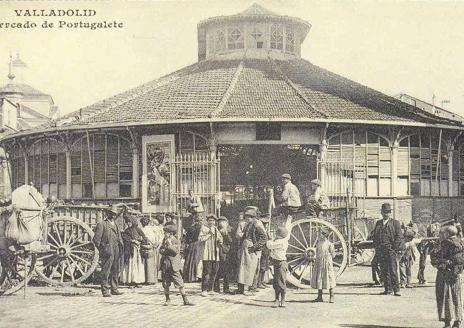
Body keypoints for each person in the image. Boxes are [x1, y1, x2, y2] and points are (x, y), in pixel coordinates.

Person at [431, 225, 464, 328]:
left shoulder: (444, 243)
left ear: (447, 234)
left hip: (444, 274)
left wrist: (442, 263)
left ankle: (447, 321)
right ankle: (458, 320)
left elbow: (434, 257)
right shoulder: (461, 243)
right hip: (456, 274)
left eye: (442, 233)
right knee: (456, 297)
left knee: (445, 297)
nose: (441, 235)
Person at [92, 204, 124, 297]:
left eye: (115, 214)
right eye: (112, 213)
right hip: (108, 251)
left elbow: (119, 236)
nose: (114, 216)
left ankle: (114, 288)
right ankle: (105, 290)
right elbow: (96, 239)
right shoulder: (102, 224)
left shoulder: (116, 224)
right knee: (106, 271)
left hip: (116, 249)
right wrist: (103, 249)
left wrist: (120, 246)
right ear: (108, 214)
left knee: (115, 270)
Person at [372, 203, 404, 296]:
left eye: (388, 212)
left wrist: (394, 249)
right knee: (384, 270)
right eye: (385, 212)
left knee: (393, 270)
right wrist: (377, 248)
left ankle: (396, 290)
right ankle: (388, 289)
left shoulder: (395, 223)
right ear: (381, 213)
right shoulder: (378, 223)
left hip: (391, 250)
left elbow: (399, 237)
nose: (387, 214)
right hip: (381, 251)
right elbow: (375, 236)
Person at [236, 206, 268, 296]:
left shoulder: (257, 225)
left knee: (249, 269)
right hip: (245, 248)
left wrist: (255, 247)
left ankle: (247, 289)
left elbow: (264, 237)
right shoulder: (248, 224)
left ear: (253, 218)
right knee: (243, 268)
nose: (247, 219)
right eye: (246, 217)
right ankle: (243, 288)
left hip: (251, 249)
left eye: (249, 217)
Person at [159, 224, 193, 306]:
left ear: (171, 233)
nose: (164, 234)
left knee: (180, 283)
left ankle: (185, 299)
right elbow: (161, 250)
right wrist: (165, 250)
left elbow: (175, 251)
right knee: (165, 283)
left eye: (166, 233)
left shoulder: (176, 241)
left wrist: (169, 245)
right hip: (165, 265)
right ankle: (167, 299)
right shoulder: (164, 240)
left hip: (174, 266)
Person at [266, 216, 292, 308]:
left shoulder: (280, 242)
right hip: (277, 263)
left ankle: (282, 300)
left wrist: (269, 238)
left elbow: (269, 246)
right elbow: (288, 230)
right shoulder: (285, 238)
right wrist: (288, 220)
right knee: (276, 282)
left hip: (281, 263)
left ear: (279, 235)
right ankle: (277, 299)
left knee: (281, 282)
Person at [198, 213, 223, 296]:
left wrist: (220, 240)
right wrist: (208, 235)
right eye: (210, 220)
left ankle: (210, 289)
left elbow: (220, 238)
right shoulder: (204, 228)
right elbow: (200, 239)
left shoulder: (216, 229)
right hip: (207, 253)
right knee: (206, 272)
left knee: (214, 271)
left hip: (215, 253)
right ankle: (204, 290)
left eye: (213, 221)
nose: (211, 222)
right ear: (207, 221)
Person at [311, 227, 336, 303]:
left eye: (321, 234)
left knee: (329, 278)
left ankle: (332, 296)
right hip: (319, 263)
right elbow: (317, 252)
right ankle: (319, 297)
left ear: (325, 235)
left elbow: (333, 254)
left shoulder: (329, 244)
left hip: (327, 264)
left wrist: (328, 258)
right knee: (319, 278)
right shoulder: (318, 243)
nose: (319, 235)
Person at [121, 215, 145, 287]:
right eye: (127, 222)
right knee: (131, 265)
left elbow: (144, 238)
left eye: (130, 222)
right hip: (130, 251)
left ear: (133, 222)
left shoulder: (138, 230)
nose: (128, 223)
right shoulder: (127, 231)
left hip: (138, 251)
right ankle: (130, 281)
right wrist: (133, 241)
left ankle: (138, 281)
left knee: (138, 265)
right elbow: (125, 239)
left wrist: (140, 240)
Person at [140, 215, 164, 285]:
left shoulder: (143, 229)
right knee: (152, 263)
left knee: (145, 264)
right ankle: (152, 279)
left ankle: (146, 279)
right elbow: (156, 239)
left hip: (145, 246)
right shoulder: (152, 229)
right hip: (153, 246)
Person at [183, 210, 205, 282]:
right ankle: (196, 276)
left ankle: (190, 276)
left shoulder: (191, 227)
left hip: (192, 244)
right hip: (197, 244)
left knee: (191, 260)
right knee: (197, 260)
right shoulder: (200, 227)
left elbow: (187, 237)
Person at [214, 216, 233, 294]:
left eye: (223, 221)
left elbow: (231, 240)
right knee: (216, 269)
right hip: (216, 251)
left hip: (225, 251)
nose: (221, 223)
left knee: (226, 271)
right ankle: (216, 288)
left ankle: (226, 288)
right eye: (220, 221)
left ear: (226, 222)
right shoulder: (215, 229)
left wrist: (226, 234)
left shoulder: (229, 229)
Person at [399, 221, 419, 288]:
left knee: (407, 269)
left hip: (408, 256)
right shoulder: (404, 241)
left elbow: (418, 241)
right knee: (403, 269)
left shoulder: (411, 241)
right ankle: (403, 282)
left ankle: (407, 282)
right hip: (403, 256)